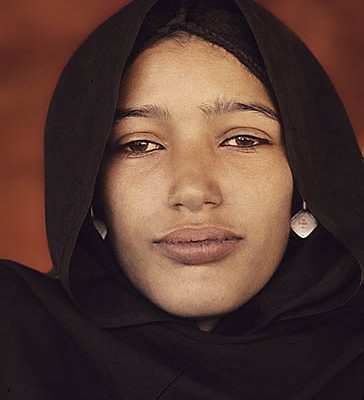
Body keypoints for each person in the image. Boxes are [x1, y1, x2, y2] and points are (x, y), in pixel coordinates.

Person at [1, 0, 363, 398]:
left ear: (307, 174)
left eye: (243, 139)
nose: (193, 191)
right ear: (90, 188)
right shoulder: (15, 342)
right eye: (140, 144)